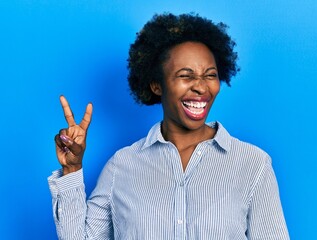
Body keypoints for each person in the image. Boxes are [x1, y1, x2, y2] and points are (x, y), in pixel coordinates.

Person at [49, 13, 290, 240]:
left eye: (210, 75)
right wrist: (72, 168)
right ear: (157, 85)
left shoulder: (253, 164)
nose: (201, 87)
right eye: (186, 75)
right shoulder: (121, 166)